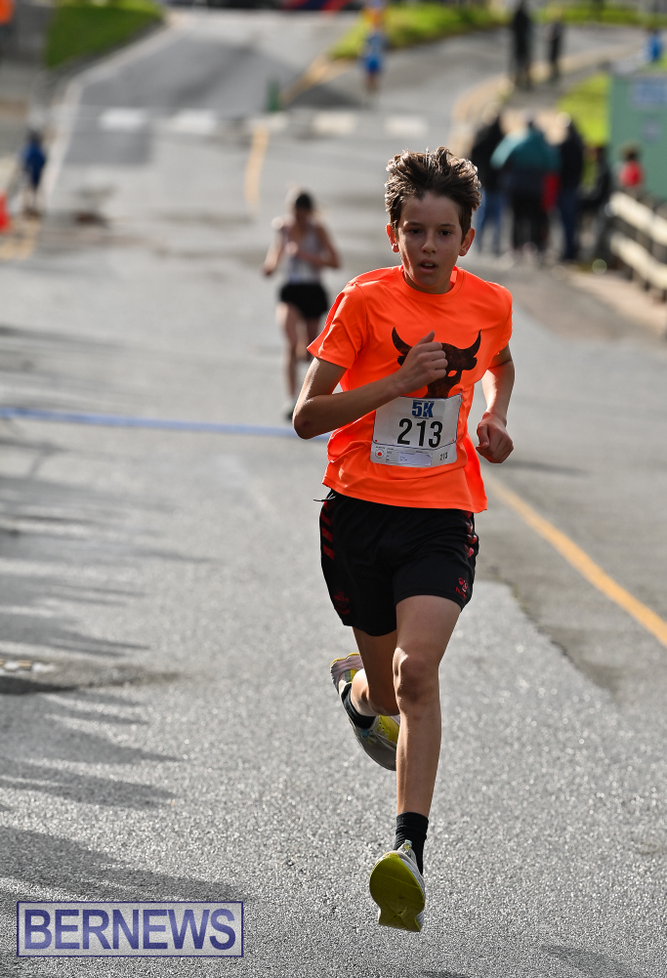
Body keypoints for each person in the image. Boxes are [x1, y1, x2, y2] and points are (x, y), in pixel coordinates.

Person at [293, 147, 515, 932]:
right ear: (393, 234)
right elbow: (306, 417)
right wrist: (396, 382)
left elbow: (499, 363)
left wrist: (493, 413)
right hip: (358, 514)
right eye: (414, 231)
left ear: (466, 238)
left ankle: (407, 853)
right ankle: (357, 691)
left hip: (440, 515)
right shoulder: (362, 302)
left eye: (443, 233)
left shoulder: (489, 303)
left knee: (416, 673)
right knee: (385, 695)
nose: (427, 246)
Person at [263, 191, 340, 419]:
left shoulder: (318, 230)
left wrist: (305, 255)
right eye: (295, 214)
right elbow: (277, 251)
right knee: (290, 342)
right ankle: (291, 399)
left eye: (302, 215)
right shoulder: (284, 228)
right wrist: (270, 266)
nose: (299, 219)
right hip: (291, 290)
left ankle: (308, 393)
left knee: (308, 351)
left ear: (309, 213)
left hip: (312, 291)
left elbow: (335, 262)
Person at [491, 115, 559, 260]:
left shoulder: (515, 140)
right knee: (535, 219)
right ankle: (536, 247)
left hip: (517, 187)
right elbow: (554, 165)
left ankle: (516, 247)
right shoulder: (542, 143)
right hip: (536, 188)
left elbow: (498, 160)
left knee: (516, 218)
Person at [470, 111, 505, 255]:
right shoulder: (503, 138)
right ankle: (494, 244)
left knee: (482, 214)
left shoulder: (482, 136)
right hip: (499, 183)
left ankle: (478, 242)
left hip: (484, 181)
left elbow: (472, 154)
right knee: (497, 216)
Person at [556, 115, 584, 262]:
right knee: (572, 223)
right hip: (574, 187)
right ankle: (571, 251)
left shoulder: (566, 146)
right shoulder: (579, 145)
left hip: (565, 188)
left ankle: (568, 252)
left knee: (566, 222)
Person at [20, 131, 47, 217]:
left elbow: (24, 161)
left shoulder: (28, 150)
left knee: (27, 191)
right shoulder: (39, 150)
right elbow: (43, 161)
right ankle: (35, 208)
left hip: (28, 173)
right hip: (37, 173)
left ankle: (27, 208)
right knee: (35, 191)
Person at [510, 0, 532, 89]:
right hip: (524, 42)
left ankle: (517, 79)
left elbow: (512, 27)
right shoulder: (525, 16)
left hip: (517, 42)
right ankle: (525, 79)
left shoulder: (516, 15)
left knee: (517, 61)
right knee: (524, 61)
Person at [546, 14, 564, 83]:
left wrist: (551, 38)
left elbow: (554, 36)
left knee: (553, 60)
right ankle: (554, 73)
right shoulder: (559, 27)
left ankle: (555, 73)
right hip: (555, 46)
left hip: (555, 46)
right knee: (554, 60)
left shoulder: (558, 27)